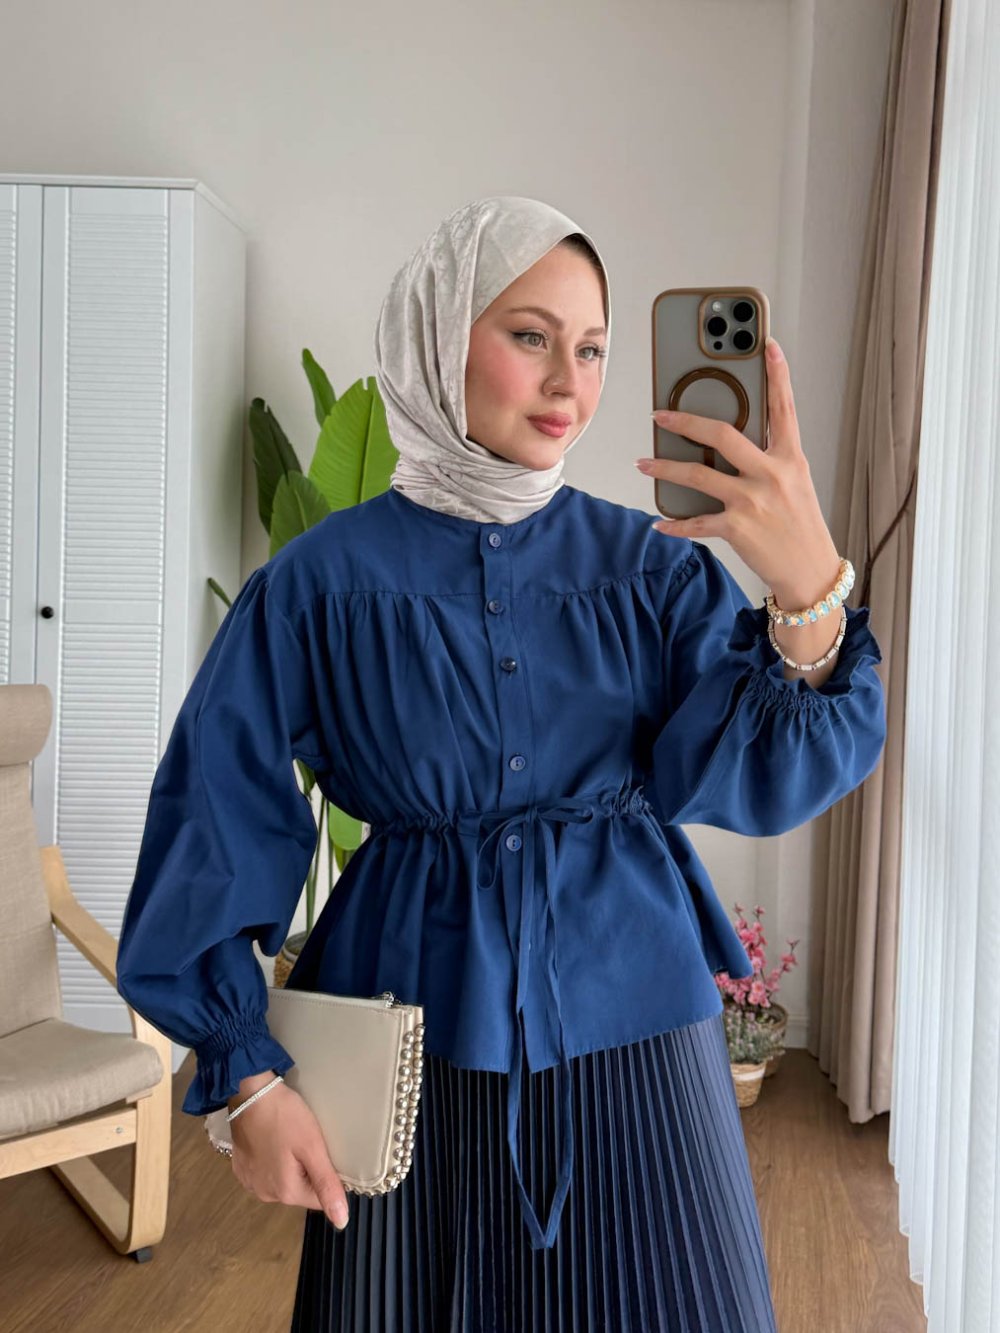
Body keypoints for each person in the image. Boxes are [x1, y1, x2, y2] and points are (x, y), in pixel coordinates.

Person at [116, 195, 886, 1332]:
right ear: (439, 334)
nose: (569, 382)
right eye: (531, 336)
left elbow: (759, 777)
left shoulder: (653, 567)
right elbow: (212, 819)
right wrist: (250, 1075)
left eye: (594, 349)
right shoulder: (319, 585)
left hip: (639, 1018)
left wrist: (806, 590)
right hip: (412, 1028)